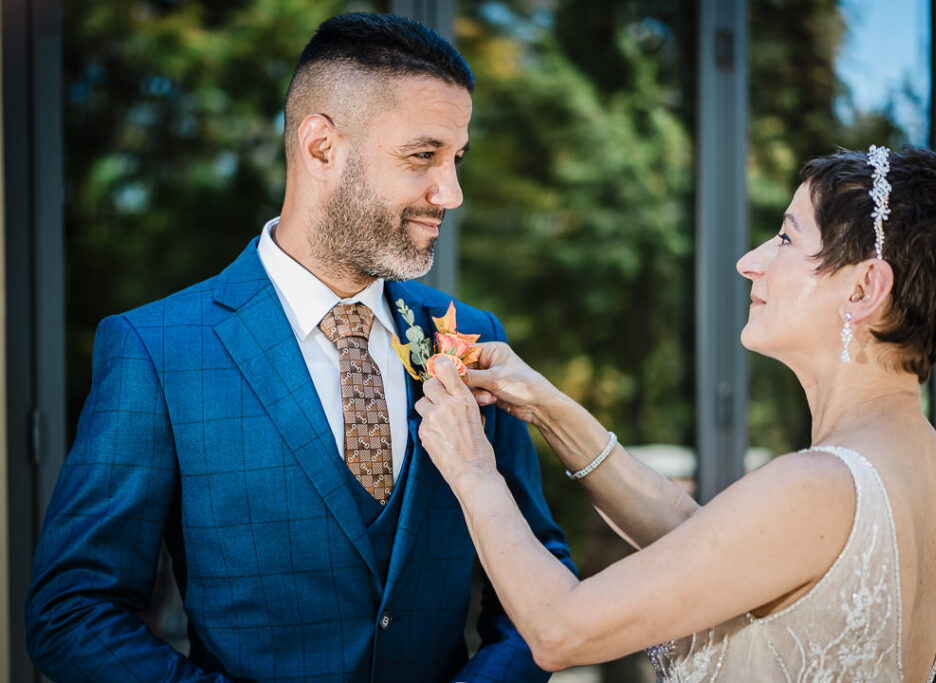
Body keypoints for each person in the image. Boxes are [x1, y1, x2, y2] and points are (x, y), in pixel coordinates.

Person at [26, 12, 573, 682]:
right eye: (422, 156)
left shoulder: (468, 336)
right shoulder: (157, 350)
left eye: (456, 159)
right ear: (321, 147)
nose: (450, 193)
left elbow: (539, 584)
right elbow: (71, 614)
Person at [416, 145, 936, 681]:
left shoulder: (820, 485)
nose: (750, 262)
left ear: (865, 288)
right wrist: (548, 409)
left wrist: (472, 468)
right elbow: (706, 545)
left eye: (787, 239)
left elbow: (559, 629)